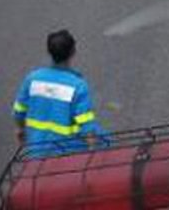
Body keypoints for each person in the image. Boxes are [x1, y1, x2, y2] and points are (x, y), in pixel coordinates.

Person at [13, 30, 102, 158]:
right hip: (70, 151)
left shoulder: (32, 79)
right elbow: (87, 125)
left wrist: (20, 129)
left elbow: (19, 110)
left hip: (37, 150)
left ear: (49, 52)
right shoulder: (78, 85)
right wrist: (93, 152)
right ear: (73, 52)